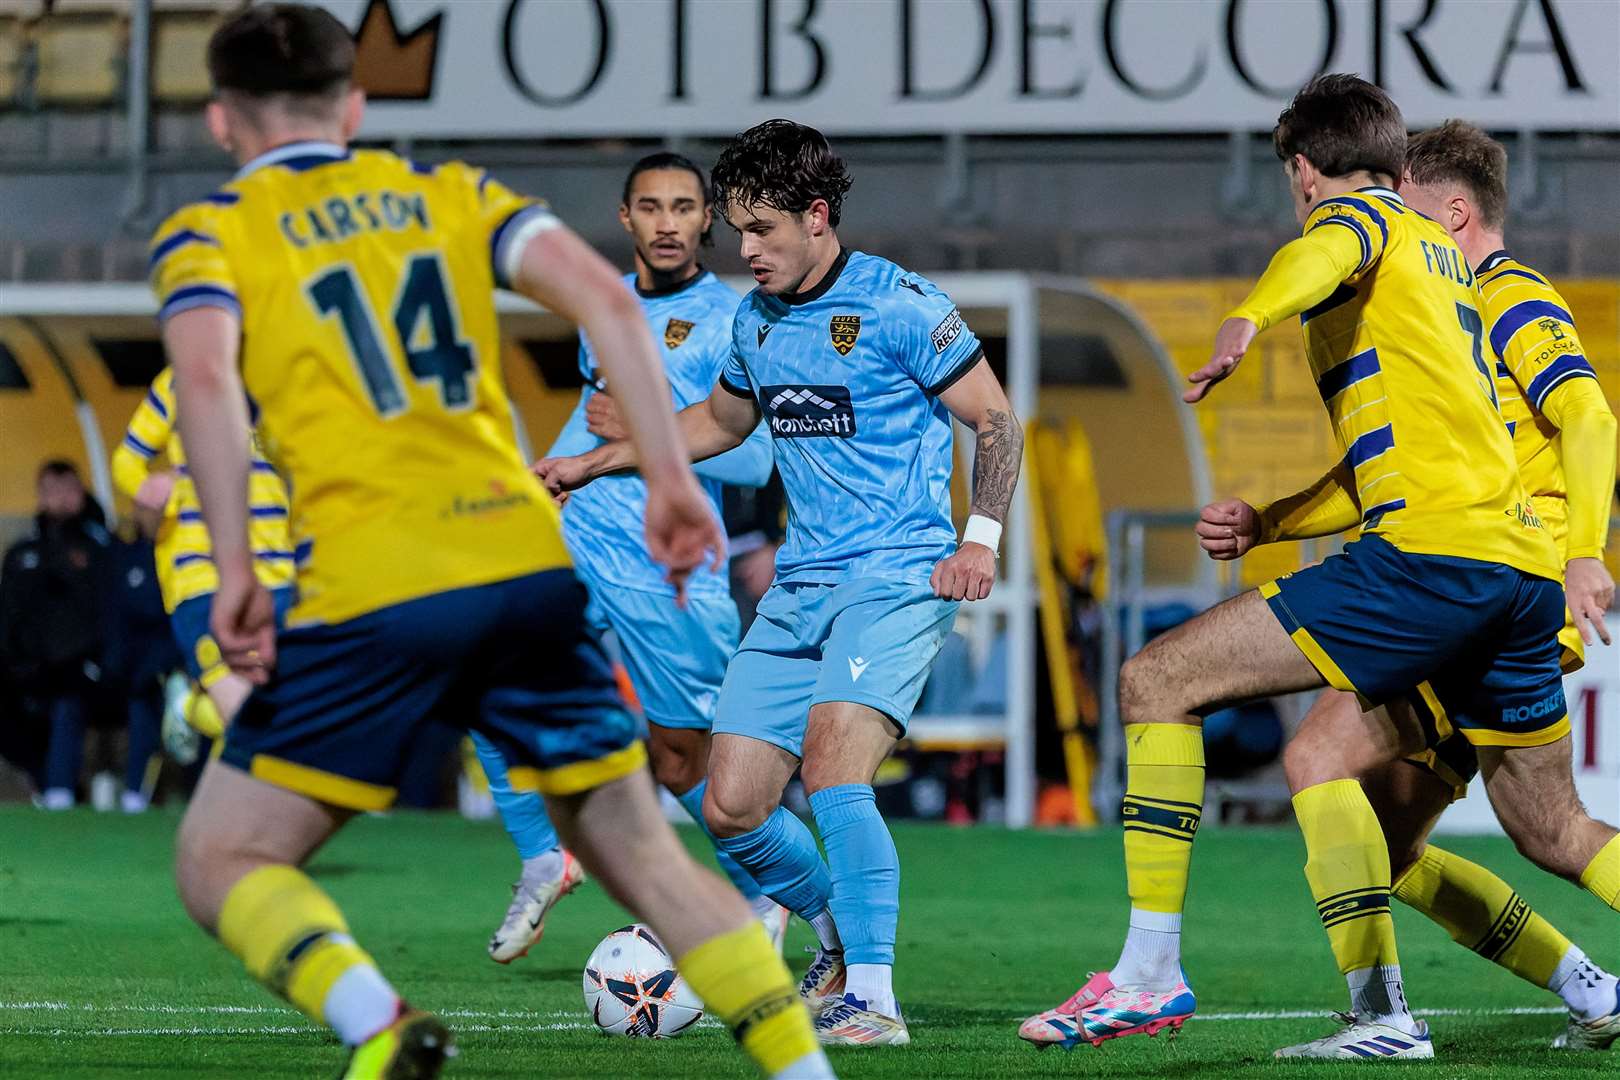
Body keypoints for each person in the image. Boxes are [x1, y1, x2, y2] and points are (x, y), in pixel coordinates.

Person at [153, 7, 830, 1079]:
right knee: (644, 854)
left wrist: (235, 569)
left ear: (221, 121)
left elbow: (200, 383)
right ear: (357, 108)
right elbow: (608, 301)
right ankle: (804, 1068)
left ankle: (378, 1022)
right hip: (524, 563)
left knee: (220, 855)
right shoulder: (453, 195)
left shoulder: (209, 233)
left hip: (374, 580)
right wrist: (667, 481)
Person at [1019, 75, 1585, 1060]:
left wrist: (1250, 315)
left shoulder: (1366, 219)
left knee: (1156, 679)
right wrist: (1277, 521)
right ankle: (1447, 1007)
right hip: (1514, 576)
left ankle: (1152, 973)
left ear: (1303, 170)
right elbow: (1401, 442)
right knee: (1543, 827)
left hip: (1428, 561)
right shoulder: (1447, 271)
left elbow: (1329, 245)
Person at [538, 119, 1024, 1046]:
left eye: (761, 230)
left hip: (897, 575)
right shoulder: (756, 321)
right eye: (739, 230)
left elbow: (997, 423)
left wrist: (981, 540)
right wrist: (596, 462)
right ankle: (836, 944)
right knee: (730, 805)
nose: (746, 250)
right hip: (802, 584)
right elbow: (716, 424)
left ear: (817, 216)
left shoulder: (903, 305)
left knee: (838, 770)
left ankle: (873, 1003)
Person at [1222, 120, 1615, 1054]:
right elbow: (1383, 475)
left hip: (1490, 585)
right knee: (1441, 845)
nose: (1393, 223)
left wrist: (1585, 551)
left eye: (1406, 205)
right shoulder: (1455, 319)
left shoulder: (1503, 290)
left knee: (1319, 760)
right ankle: (1592, 990)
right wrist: (1272, 523)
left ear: (1452, 209)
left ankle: (1382, 1019)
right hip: (1501, 587)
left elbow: (1589, 417)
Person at [476, 151, 785, 964]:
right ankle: (545, 854)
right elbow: (594, 413)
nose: (668, 223)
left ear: (706, 218)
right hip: (577, 535)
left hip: (669, 564)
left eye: (684, 207)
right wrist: (551, 476)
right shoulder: (603, 308)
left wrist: (646, 437)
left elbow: (753, 464)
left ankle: (772, 897)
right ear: (626, 218)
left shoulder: (734, 319)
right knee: (479, 657)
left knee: (690, 758)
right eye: (651, 207)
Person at [110, 365, 297, 760]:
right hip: (198, 571)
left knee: (273, 715)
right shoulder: (177, 381)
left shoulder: (285, 371)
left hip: (280, 571)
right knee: (246, 716)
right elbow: (126, 458)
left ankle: (192, 710)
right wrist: (145, 486)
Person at [0, 461, 116, 809]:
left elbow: (108, 614)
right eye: (52, 491)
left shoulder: (100, 547)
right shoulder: (22, 551)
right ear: (40, 495)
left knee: (68, 699)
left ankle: (59, 794)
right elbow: (8, 616)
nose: (60, 499)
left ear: (80, 493)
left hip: (85, 669)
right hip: (30, 670)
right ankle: (44, 779)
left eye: (68, 490)